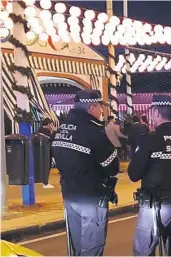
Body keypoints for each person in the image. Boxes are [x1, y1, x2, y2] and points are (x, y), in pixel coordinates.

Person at [52, 89, 120, 256]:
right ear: (91, 107)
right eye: (100, 107)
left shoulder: (62, 129)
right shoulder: (93, 131)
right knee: (92, 248)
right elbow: (112, 167)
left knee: (75, 247)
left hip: (69, 194)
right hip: (91, 196)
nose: (102, 111)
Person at [127, 95, 171, 256]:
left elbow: (134, 174)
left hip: (153, 205)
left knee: (143, 251)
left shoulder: (149, 139)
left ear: (156, 113)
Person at [37, 118, 56, 189]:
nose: (52, 125)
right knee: (47, 167)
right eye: (51, 124)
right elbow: (51, 139)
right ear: (48, 124)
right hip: (46, 152)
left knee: (46, 167)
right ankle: (45, 183)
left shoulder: (40, 130)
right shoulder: (44, 132)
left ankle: (44, 181)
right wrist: (54, 131)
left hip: (44, 151)